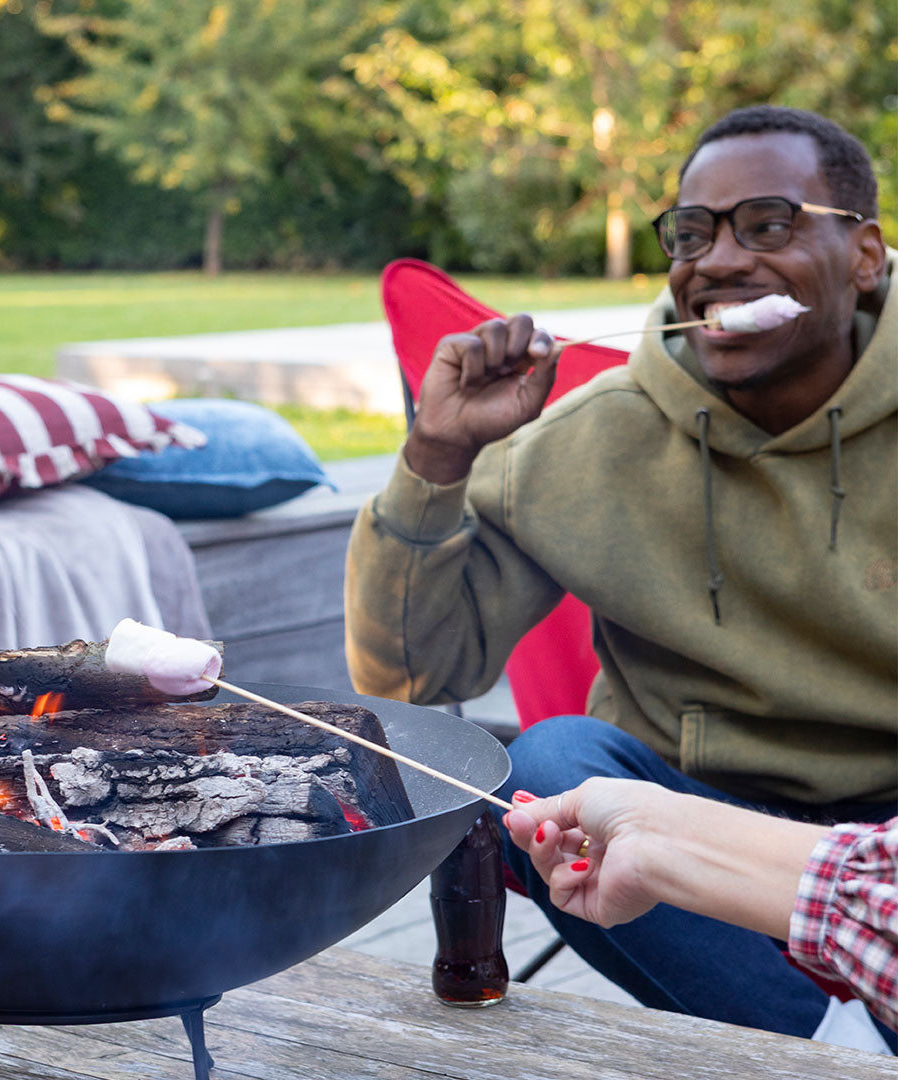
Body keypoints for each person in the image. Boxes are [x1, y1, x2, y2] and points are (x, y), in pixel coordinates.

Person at [343, 104, 896, 1047]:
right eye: (692, 232)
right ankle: (825, 1050)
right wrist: (437, 455)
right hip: (687, 833)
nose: (718, 260)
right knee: (551, 768)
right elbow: (407, 678)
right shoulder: (579, 441)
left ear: (866, 257)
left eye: (768, 224)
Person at [502, 780, 897, 1044]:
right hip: (699, 776)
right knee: (551, 753)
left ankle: (837, 1053)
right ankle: (846, 1044)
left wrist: (659, 838)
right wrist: (652, 837)